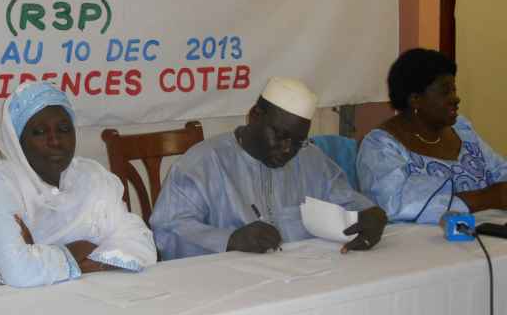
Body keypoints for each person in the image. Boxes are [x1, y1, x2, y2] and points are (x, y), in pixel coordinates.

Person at [150, 77, 386, 259]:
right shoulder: (202, 164)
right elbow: (167, 230)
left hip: (306, 277)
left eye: (297, 141)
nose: (287, 149)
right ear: (254, 116)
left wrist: (370, 214)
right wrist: (229, 240)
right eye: (280, 136)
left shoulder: (311, 158)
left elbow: (347, 200)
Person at [0, 82, 156, 290]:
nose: (55, 141)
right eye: (39, 132)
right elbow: (17, 271)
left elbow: (142, 244)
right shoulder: (0, 184)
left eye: (64, 129)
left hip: (74, 297)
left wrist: (74, 263)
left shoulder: (92, 177)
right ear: (18, 141)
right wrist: (80, 249)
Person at [357, 48, 507, 223]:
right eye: (445, 92)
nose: (456, 98)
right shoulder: (380, 147)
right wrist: (486, 198)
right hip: (422, 239)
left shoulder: (462, 130)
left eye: (454, 90)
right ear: (415, 99)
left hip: (489, 231)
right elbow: (395, 205)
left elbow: (500, 171)